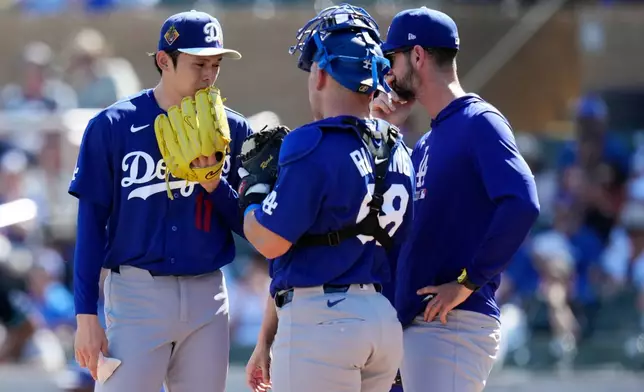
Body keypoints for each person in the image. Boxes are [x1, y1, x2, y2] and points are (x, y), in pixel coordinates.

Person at [69, 10, 252, 392]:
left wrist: (214, 184)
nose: (209, 74)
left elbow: (249, 227)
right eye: (199, 63)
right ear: (164, 60)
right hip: (137, 296)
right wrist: (86, 315)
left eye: (216, 64)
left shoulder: (233, 129)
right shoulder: (113, 126)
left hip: (208, 297)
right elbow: (90, 226)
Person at [240, 4, 415, 392]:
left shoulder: (311, 142)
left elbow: (270, 242)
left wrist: (251, 195)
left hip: (323, 324)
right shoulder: (398, 146)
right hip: (381, 321)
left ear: (320, 72)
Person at [372, 7, 540, 392]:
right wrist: (381, 130)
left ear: (417, 55)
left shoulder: (479, 120)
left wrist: (467, 282)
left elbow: (522, 202)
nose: (388, 73)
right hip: (417, 326)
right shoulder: (427, 141)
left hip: (454, 323)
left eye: (393, 59)